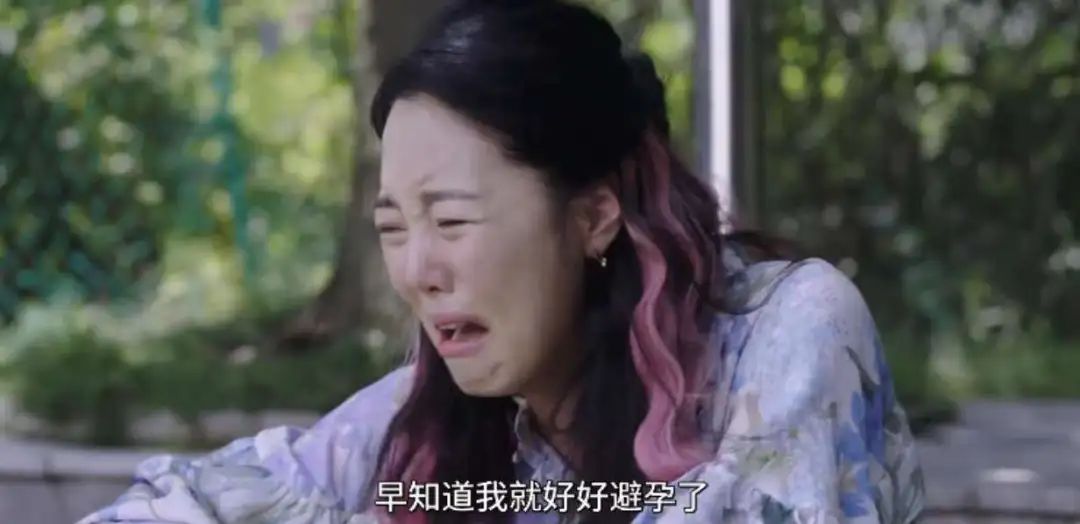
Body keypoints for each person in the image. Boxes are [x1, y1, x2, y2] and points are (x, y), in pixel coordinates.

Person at [79, 1, 924, 523]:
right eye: (393, 227)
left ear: (593, 216)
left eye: (451, 219)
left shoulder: (790, 332)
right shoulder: (433, 420)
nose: (418, 270)